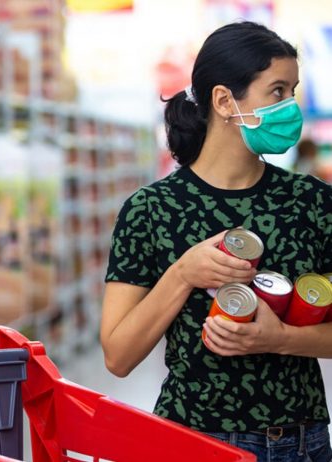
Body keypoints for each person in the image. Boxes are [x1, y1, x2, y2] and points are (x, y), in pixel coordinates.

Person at [101, 21, 332, 462]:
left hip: (304, 441)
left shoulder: (313, 202)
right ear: (225, 100)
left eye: (293, 91)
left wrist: (280, 338)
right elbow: (118, 355)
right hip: (194, 441)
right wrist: (183, 273)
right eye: (278, 91)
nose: (291, 108)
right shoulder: (152, 208)